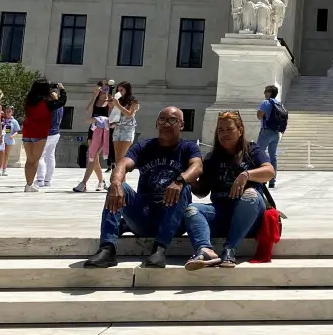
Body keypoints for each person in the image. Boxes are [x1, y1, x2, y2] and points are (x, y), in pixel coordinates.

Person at [84, 106, 202, 269]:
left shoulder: (188, 148)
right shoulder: (145, 146)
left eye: (172, 120)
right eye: (162, 120)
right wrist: (116, 182)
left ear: (181, 125)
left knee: (185, 188)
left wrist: (180, 180)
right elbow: (123, 163)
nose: (166, 124)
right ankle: (107, 249)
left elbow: (197, 167)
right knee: (119, 187)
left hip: (174, 221)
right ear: (156, 124)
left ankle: (160, 249)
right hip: (145, 217)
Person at [182, 110, 275, 270]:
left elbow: (269, 171)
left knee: (250, 195)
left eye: (229, 129)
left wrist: (246, 174)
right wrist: (186, 179)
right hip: (221, 213)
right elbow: (202, 191)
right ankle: (205, 250)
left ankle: (230, 248)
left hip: (249, 217)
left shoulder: (252, 150)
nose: (224, 134)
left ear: (240, 130)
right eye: (220, 130)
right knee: (192, 209)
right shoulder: (212, 158)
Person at [21, 79, 66, 193]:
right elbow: (61, 101)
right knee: (35, 160)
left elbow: (38, 88)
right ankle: (30, 184)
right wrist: (62, 90)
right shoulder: (47, 103)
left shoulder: (29, 100)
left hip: (27, 131)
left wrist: (49, 86)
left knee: (29, 160)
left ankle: (29, 183)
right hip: (39, 133)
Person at [256, 84, 285, 188]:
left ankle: (262, 179)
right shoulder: (279, 103)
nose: (264, 93)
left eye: (266, 91)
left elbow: (259, 116)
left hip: (266, 131)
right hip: (276, 133)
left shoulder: (265, 102)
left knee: (259, 153)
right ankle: (272, 180)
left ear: (270, 93)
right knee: (273, 157)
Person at [109, 81, 139, 172]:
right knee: (117, 158)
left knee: (121, 157)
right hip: (117, 129)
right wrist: (112, 105)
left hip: (127, 130)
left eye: (121, 90)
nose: (119, 92)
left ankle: (121, 182)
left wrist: (117, 105)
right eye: (118, 90)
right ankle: (120, 181)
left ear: (127, 90)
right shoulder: (119, 100)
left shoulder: (133, 101)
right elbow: (115, 114)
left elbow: (129, 114)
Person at [0, 107, 20, 176]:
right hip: (2, 138)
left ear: (12, 112)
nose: (8, 113)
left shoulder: (14, 121)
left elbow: (17, 131)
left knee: (6, 154)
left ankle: (4, 169)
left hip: (9, 139)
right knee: (1, 153)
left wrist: (13, 136)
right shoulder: (2, 119)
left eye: (9, 111)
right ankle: (0, 169)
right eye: (7, 111)